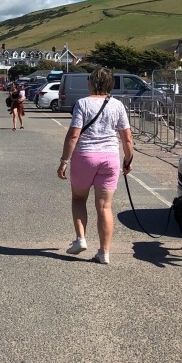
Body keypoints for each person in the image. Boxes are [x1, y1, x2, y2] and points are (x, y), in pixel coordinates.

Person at [57, 68, 134, 264]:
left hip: (86, 156)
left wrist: (64, 161)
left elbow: (73, 135)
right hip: (110, 158)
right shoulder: (117, 105)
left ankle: (81, 238)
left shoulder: (82, 103)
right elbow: (127, 138)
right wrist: (128, 160)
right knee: (105, 206)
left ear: (91, 82)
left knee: (78, 198)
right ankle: (104, 252)